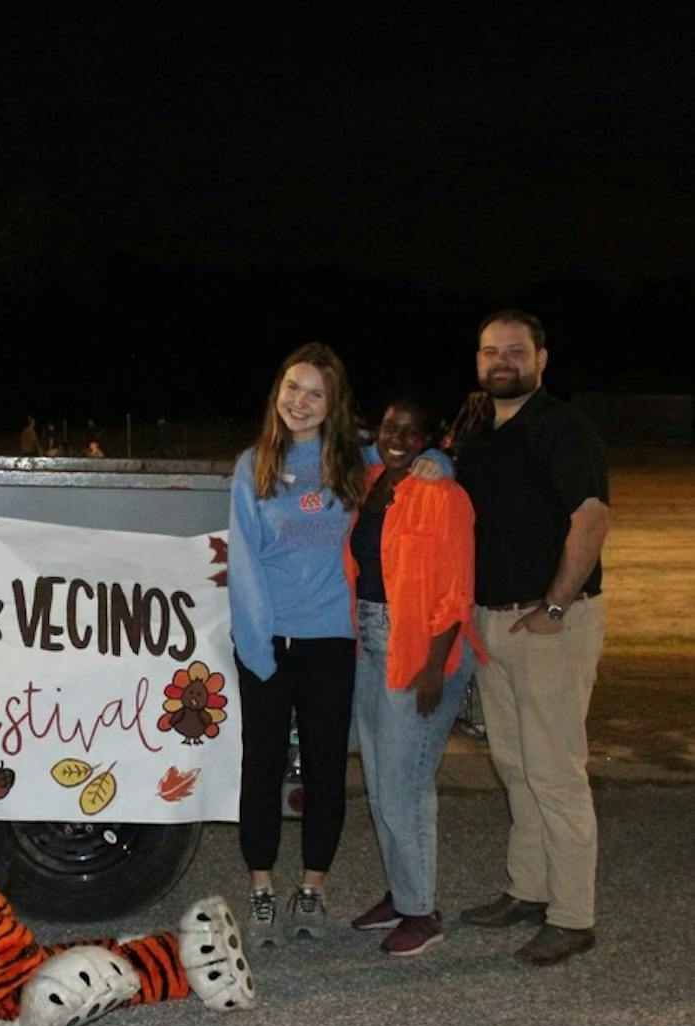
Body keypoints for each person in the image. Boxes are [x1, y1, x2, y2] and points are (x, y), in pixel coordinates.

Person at [227, 343, 448, 946]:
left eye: (315, 393)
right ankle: (263, 888)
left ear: (332, 403)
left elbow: (423, 460)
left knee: (326, 771)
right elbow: (244, 564)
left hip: (333, 643)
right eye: (292, 388)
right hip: (267, 643)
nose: (300, 401)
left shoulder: (355, 458)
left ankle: (313, 889)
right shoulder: (254, 465)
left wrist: (439, 466)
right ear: (278, 391)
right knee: (262, 767)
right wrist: (257, 649)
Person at [451, 310, 609, 966]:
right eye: (491, 350)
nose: (502, 360)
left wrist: (554, 604)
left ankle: (573, 915)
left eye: (516, 350)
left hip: (549, 623)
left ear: (542, 357)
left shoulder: (562, 425)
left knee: (555, 769)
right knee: (514, 764)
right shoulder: (480, 431)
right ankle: (529, 886)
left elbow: (592, 518)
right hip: (493, 621)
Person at [345, 396, 484, 956]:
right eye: (389, 426)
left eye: (410, 430)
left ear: (428, 440)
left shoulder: (444, 495)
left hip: (421, 651)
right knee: (380, 780)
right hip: (372, 645)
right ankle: (403, 892)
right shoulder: (372, 481)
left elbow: (456, 591)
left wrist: (435, 666)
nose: (397, 436)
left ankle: (422, 912)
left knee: (406, 786)